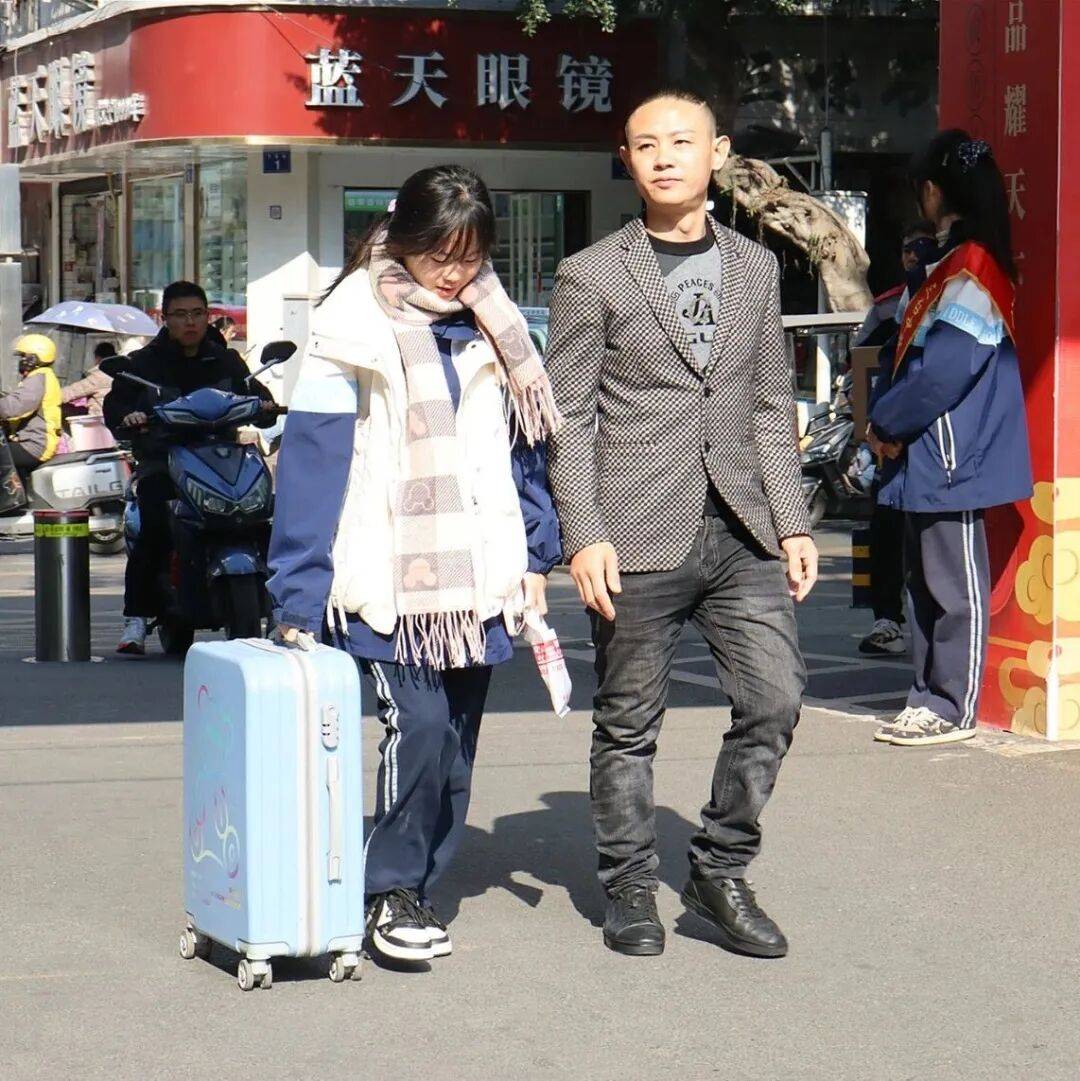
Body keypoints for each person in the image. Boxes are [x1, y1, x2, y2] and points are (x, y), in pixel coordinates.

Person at [545, 88, 817, 960]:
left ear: (718, 153)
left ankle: (718, 868)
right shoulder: (591, 274)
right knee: (629, 720)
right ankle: (630, 884)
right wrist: (584, 531)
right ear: (627, 160)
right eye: (646, 145)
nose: (665, 157)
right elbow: (568, 418)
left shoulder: (757, 267)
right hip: (634, 530)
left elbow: (770, 403)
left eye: (682, 141)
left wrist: (793, 521)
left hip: (740, 527)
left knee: (775, 696)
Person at [266, 165, 562, 966]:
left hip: (480, 574)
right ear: (402, 241)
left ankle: (419, 887)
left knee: (456, 744)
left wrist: (538, 555)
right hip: (385, 573)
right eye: (439, 255)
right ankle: (387, 890)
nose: (455, 273)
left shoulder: (499, 325)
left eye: (470, 256)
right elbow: (312, 466)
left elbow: (525, 456)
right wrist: (297, 592)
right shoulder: (348, 325)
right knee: (420, 726)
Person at [868, 130, 1033, 747]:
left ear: (934, 192)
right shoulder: (947, 264)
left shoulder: (975, 267)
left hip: (949, 453)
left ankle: (951, 705)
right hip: (926, 449)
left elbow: (947, 368)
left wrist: (886, 421)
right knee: (922, 583)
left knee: (953, 586)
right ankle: (924, 696)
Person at [103, 281, 276, 656]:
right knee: (154, 522)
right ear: (164, 318)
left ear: (207, 316)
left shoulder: (226, 360)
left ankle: (280, 603)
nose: (190, 322)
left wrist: (265, 407)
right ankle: (136, 616)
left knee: (266, 513)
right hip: (164, 459)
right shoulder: (145, 363)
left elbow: (256, 393)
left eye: (198, 314)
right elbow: (116, 406)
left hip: (222, 456)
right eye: (180, 315)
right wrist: (130, 417)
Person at [856, 221, 938, 656]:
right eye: (907, 247)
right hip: (887, 445)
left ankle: (937, 635)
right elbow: (864, 364)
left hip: (931, 443)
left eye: (923, 246)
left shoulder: (953, 295)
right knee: (885, 532)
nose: (913, 255)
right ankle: (887, 620)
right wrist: (876, 428)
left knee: (933, 544)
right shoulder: (889, 306)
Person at [0, 333, 63, 483]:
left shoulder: (38, 379)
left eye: (23, 356)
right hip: (30, 441)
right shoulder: (41, 376)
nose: (21, 361)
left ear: (33, 359)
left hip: (34, 445)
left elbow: (16, 406)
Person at [61, 340, 117, 417]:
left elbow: (71, 392)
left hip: (99, 419)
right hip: (115, 417)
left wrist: (51, 395)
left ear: (98, 358)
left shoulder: (101, 376)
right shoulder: (120, 373)